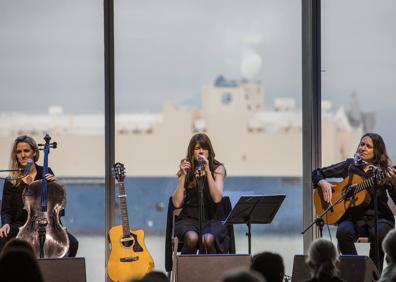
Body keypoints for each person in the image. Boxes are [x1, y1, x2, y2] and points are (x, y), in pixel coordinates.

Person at [312, 133, 396, 271]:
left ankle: (374, 274)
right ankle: (356, 271)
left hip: (379, 218)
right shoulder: (349, 166)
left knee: (378, 233)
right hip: (353, 218)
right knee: (343, 232)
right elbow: (317, 172)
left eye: (368, 146)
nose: (363, 148)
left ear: (377, 151)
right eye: (362, 144)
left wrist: (393, 184)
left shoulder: (382, 172)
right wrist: (322, 182)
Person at [0, 135, 78, 256]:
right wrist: (5, 223)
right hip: (21, 224)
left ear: (34, 153)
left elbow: (59, 209)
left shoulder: (46, 173)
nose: (23, 155)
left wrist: (55, 187)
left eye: (26, 151)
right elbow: (6, 210)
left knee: (72, 243)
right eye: (19, 152)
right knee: (2, 239)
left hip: (47, 224)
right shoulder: (11, 180)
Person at [172, 133, 227, 254]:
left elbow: (217, 198)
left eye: (204, 148)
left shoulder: (218, 168)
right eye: (197, 148)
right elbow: (176, 203)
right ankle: (186, 272)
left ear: (209, 151)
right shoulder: (186, 169)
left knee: (207, 239)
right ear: (192, 152)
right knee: (192, 238)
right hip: (189, 219)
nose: (201, 151)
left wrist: (207, 171)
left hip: (212, 219)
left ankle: (213, 272)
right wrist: (183, 176)